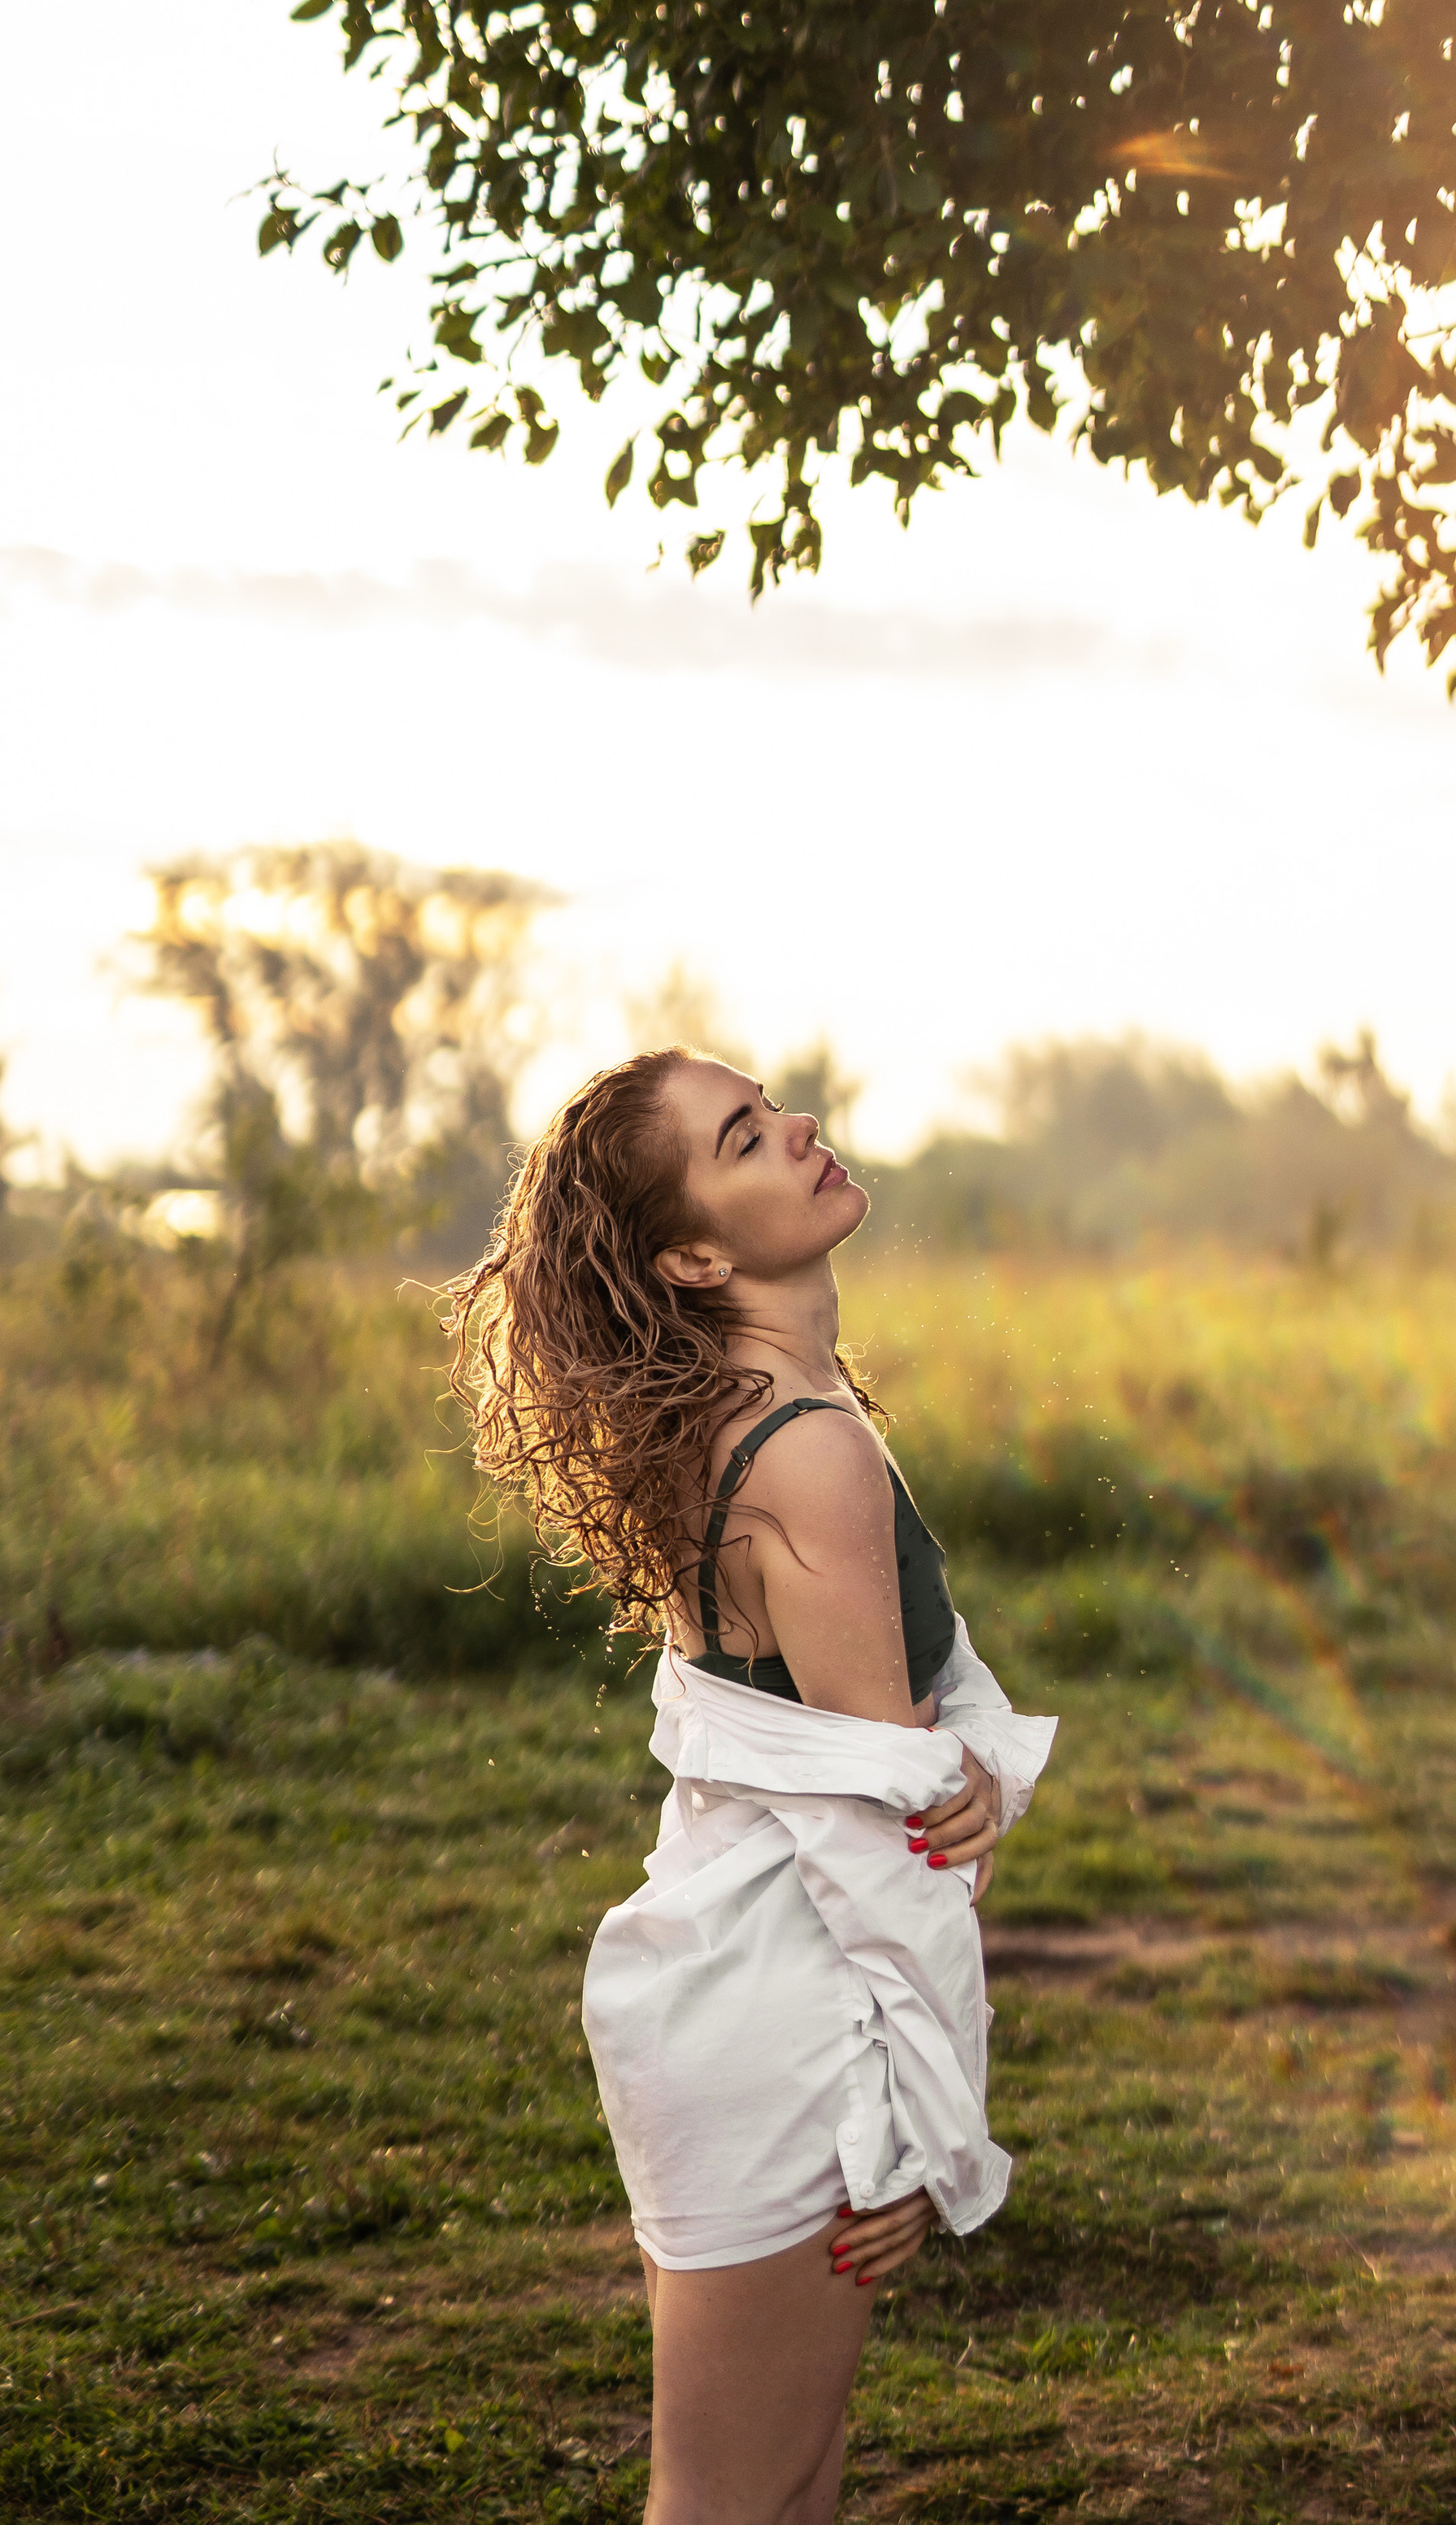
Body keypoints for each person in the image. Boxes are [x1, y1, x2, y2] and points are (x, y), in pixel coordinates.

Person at [446, 1046, 1054, 2525]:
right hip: (784, 2037)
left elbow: (871, 1726)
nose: (799, 1132)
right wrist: (927, 2125)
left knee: (781, 2502)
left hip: (742, 1999)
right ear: (697, 1253)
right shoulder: (807, 1451)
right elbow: (878, 1849)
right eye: (745, 1137)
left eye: (769, 1106)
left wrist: (965, 1761)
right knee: (732, 2505)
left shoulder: (759, 1414)